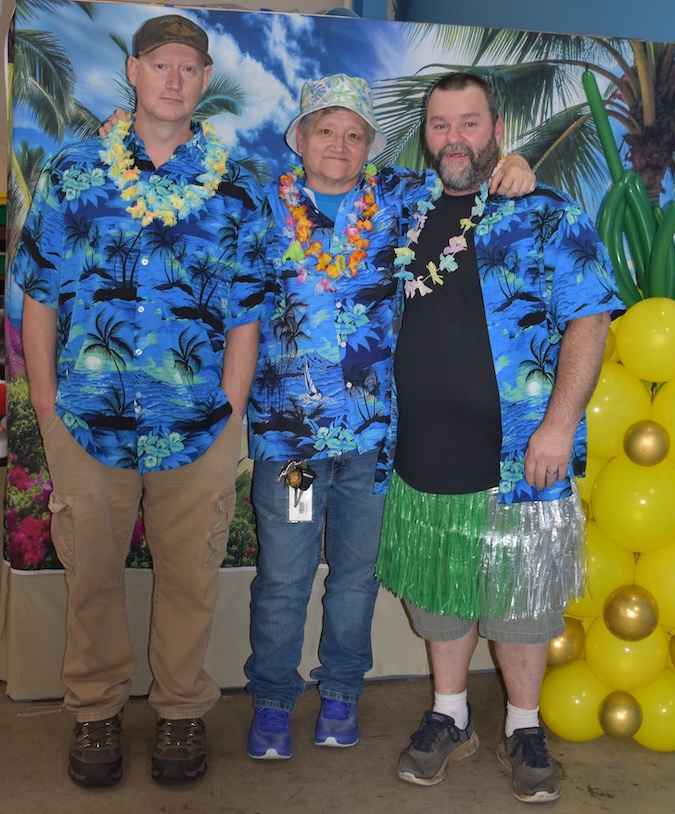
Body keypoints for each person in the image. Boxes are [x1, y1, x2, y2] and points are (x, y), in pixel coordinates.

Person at [244, 74, 537, 760]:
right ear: (301, 139)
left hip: (375, 445)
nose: (340, 145)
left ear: (371, 147)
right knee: (285, 575)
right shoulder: (262, 207)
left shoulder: (405, 199)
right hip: (294, 448)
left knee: (355, 577)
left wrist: (517, 162)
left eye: (354, 134)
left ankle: (342, 693)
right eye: (326, 131)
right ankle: (273, 702)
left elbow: (470, 174)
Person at [11, 15, 265, 787]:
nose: (175, 79)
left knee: (190, 574)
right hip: (87, 419)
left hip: (201, 423)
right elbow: (41, 296)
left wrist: (230, 408)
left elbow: (246, 311)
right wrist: (48, 408)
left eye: (191, 68)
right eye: (161, 65)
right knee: (90, 574)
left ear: (203, 78)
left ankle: (182, 710)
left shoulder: (236, 182)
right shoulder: (75, 169)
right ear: (133, 70)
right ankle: (94, 714)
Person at [376, 72, 624, 804]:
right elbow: (324, 162)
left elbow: (590, 318)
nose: (455, 138)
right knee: (441, 594)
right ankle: (450, 716)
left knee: (518, 599)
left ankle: (523, 725)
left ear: (497, 127)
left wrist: (560, 424)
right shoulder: (398, 206)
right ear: (426, 134)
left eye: (470, 123)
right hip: (421, 447)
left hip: (520, 452)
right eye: (441, 124)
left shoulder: (545, 212)